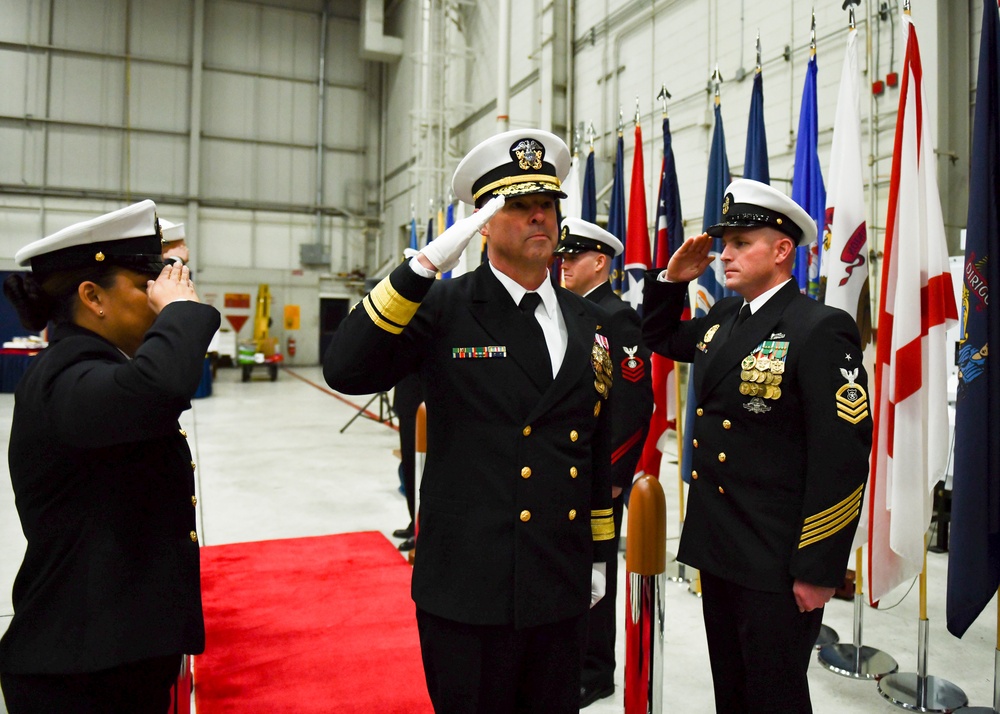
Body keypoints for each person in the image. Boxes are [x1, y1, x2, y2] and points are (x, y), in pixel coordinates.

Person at [323, 128, 617, 714]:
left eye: (547, 205)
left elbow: (594, 445)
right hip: (468, 587)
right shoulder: (442, 306)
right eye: (518, 206)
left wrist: (596, 554)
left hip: (557, 585)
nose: (539, 217)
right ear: (483, 222)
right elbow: (346, 367)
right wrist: (422, 266)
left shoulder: (590, 321)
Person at [641, 178, 872, 713]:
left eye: (742, 243)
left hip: (777, 559)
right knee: (733, 692)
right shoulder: (725, 319)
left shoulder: (819, 328)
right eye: (726, 243)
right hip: (720, 548)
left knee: (775, 697)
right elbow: (660, 338)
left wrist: (818, 568)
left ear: (782, 250)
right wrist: (671, 280)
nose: (725, 254)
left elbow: (842, 458)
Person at [0, 200, 221, 713]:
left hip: (111, 655)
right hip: (76, 674)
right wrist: (184, 313)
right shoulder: (65, 374)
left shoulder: (87, 364)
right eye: (147, 280)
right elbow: (159, 388)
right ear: (92, 296)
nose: (159, 292)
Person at [555, 217, 652, 707]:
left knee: (597, 574)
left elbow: (635, 402)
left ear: (600, 262)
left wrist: (613, 475)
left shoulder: (616, 318)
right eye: (563, 257)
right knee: (569, 569)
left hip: (599, 477)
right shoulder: (566, 311)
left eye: (574, 257)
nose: (564, 265)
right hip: (569, 469)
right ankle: (571, 659)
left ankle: (597, 670)